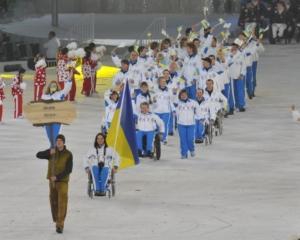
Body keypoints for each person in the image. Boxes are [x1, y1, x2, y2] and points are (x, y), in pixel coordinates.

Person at [36, 134, 73, 234]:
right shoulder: (52, 152)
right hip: (52, 183)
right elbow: (38, 155)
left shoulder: (68, 154)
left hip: (63, 182)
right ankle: (57, 220)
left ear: (64, 142)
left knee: (62, 202)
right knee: (54, 202)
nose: (59, 142)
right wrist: (48, 152)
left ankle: (60, 224)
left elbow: (69, 170)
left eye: (60, 140)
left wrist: (57, 177)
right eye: (57, 140)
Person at [176, 89, 199, 159]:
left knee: (190, 139)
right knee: (183, 140)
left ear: (187, 95)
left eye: (185, 94)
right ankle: (184, 153)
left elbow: (198, 111)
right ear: (180, 96)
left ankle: (192, 149)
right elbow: (174, 110)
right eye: (182, 95)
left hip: (191, 124)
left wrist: (199, 118)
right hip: (181, 124)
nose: (183, 96)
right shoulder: (177, 103)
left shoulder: (193, 102)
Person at [152, 77, 174, 144]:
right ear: (159, 82)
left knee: (164, 125)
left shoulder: (169, 90)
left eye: (164, 81)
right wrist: (154, 101)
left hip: (166, 111)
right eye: (162, 81)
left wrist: (173, 109)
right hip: (156, 110)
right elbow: (152, 100)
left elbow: (171, 101)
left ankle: (164, 138)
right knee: (157, 125)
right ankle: (157, 138)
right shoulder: (155, 90)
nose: (163, 83)